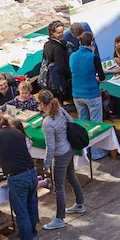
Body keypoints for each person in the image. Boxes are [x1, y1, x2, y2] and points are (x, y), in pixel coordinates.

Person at [0, 115, 40, 240]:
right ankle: (32, 232)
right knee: (32, 206)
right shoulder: (17, 132)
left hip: (17, 177)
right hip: (31, 172)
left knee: (21, 211)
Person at [36, 90, 85, 232]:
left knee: (59, 187)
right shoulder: (61, 110)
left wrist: (46, 164)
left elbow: (50, 147)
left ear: (42, 104)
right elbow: (71, 122)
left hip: (60, 154)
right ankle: (80, 204)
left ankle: (59, 218)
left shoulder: (47, 123)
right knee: (72, 176)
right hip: (69, 149)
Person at [69, 32, 108, 161]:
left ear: (79, 42)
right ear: (92, 43)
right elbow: (102, 78)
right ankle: (97, 153)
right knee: (96, 124)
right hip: (91, 94)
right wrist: (96, 79)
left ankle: (84, 152)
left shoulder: (72, 56)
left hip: (77, 94)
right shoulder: (93, 57)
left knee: (83, 123)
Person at [41, 21, 71, 101]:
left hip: (51, 80)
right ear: (52, 33)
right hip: (59, 81)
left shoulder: (47, 44)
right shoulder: (58, 48)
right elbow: (61, 67)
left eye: (62, 32)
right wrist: (70, 75)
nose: (61, 34)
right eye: (58, 32)